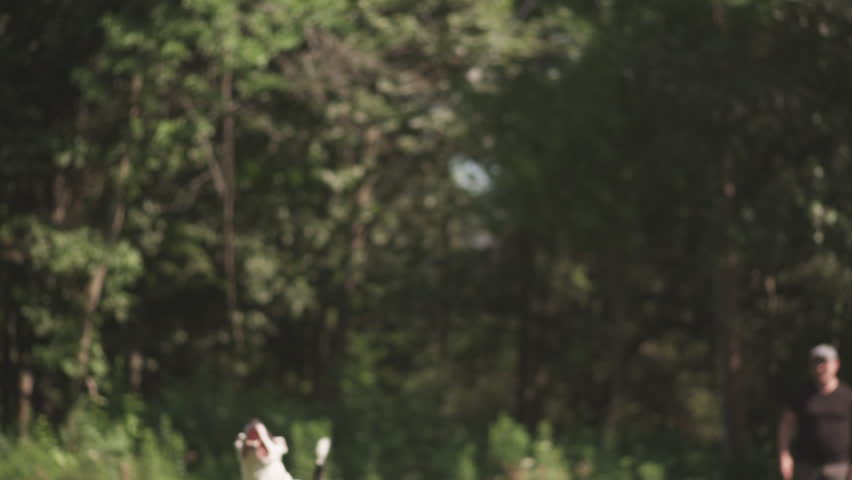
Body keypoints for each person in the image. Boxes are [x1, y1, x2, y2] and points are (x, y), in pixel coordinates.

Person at [778, 344, 852, 480]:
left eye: (824, 362)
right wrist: (784, 455)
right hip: (806, 467)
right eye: (816, 362)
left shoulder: (848, 396)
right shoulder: (801, 394)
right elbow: (787, 424)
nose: (820, 367)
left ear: (836, 364)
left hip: (840, 468)